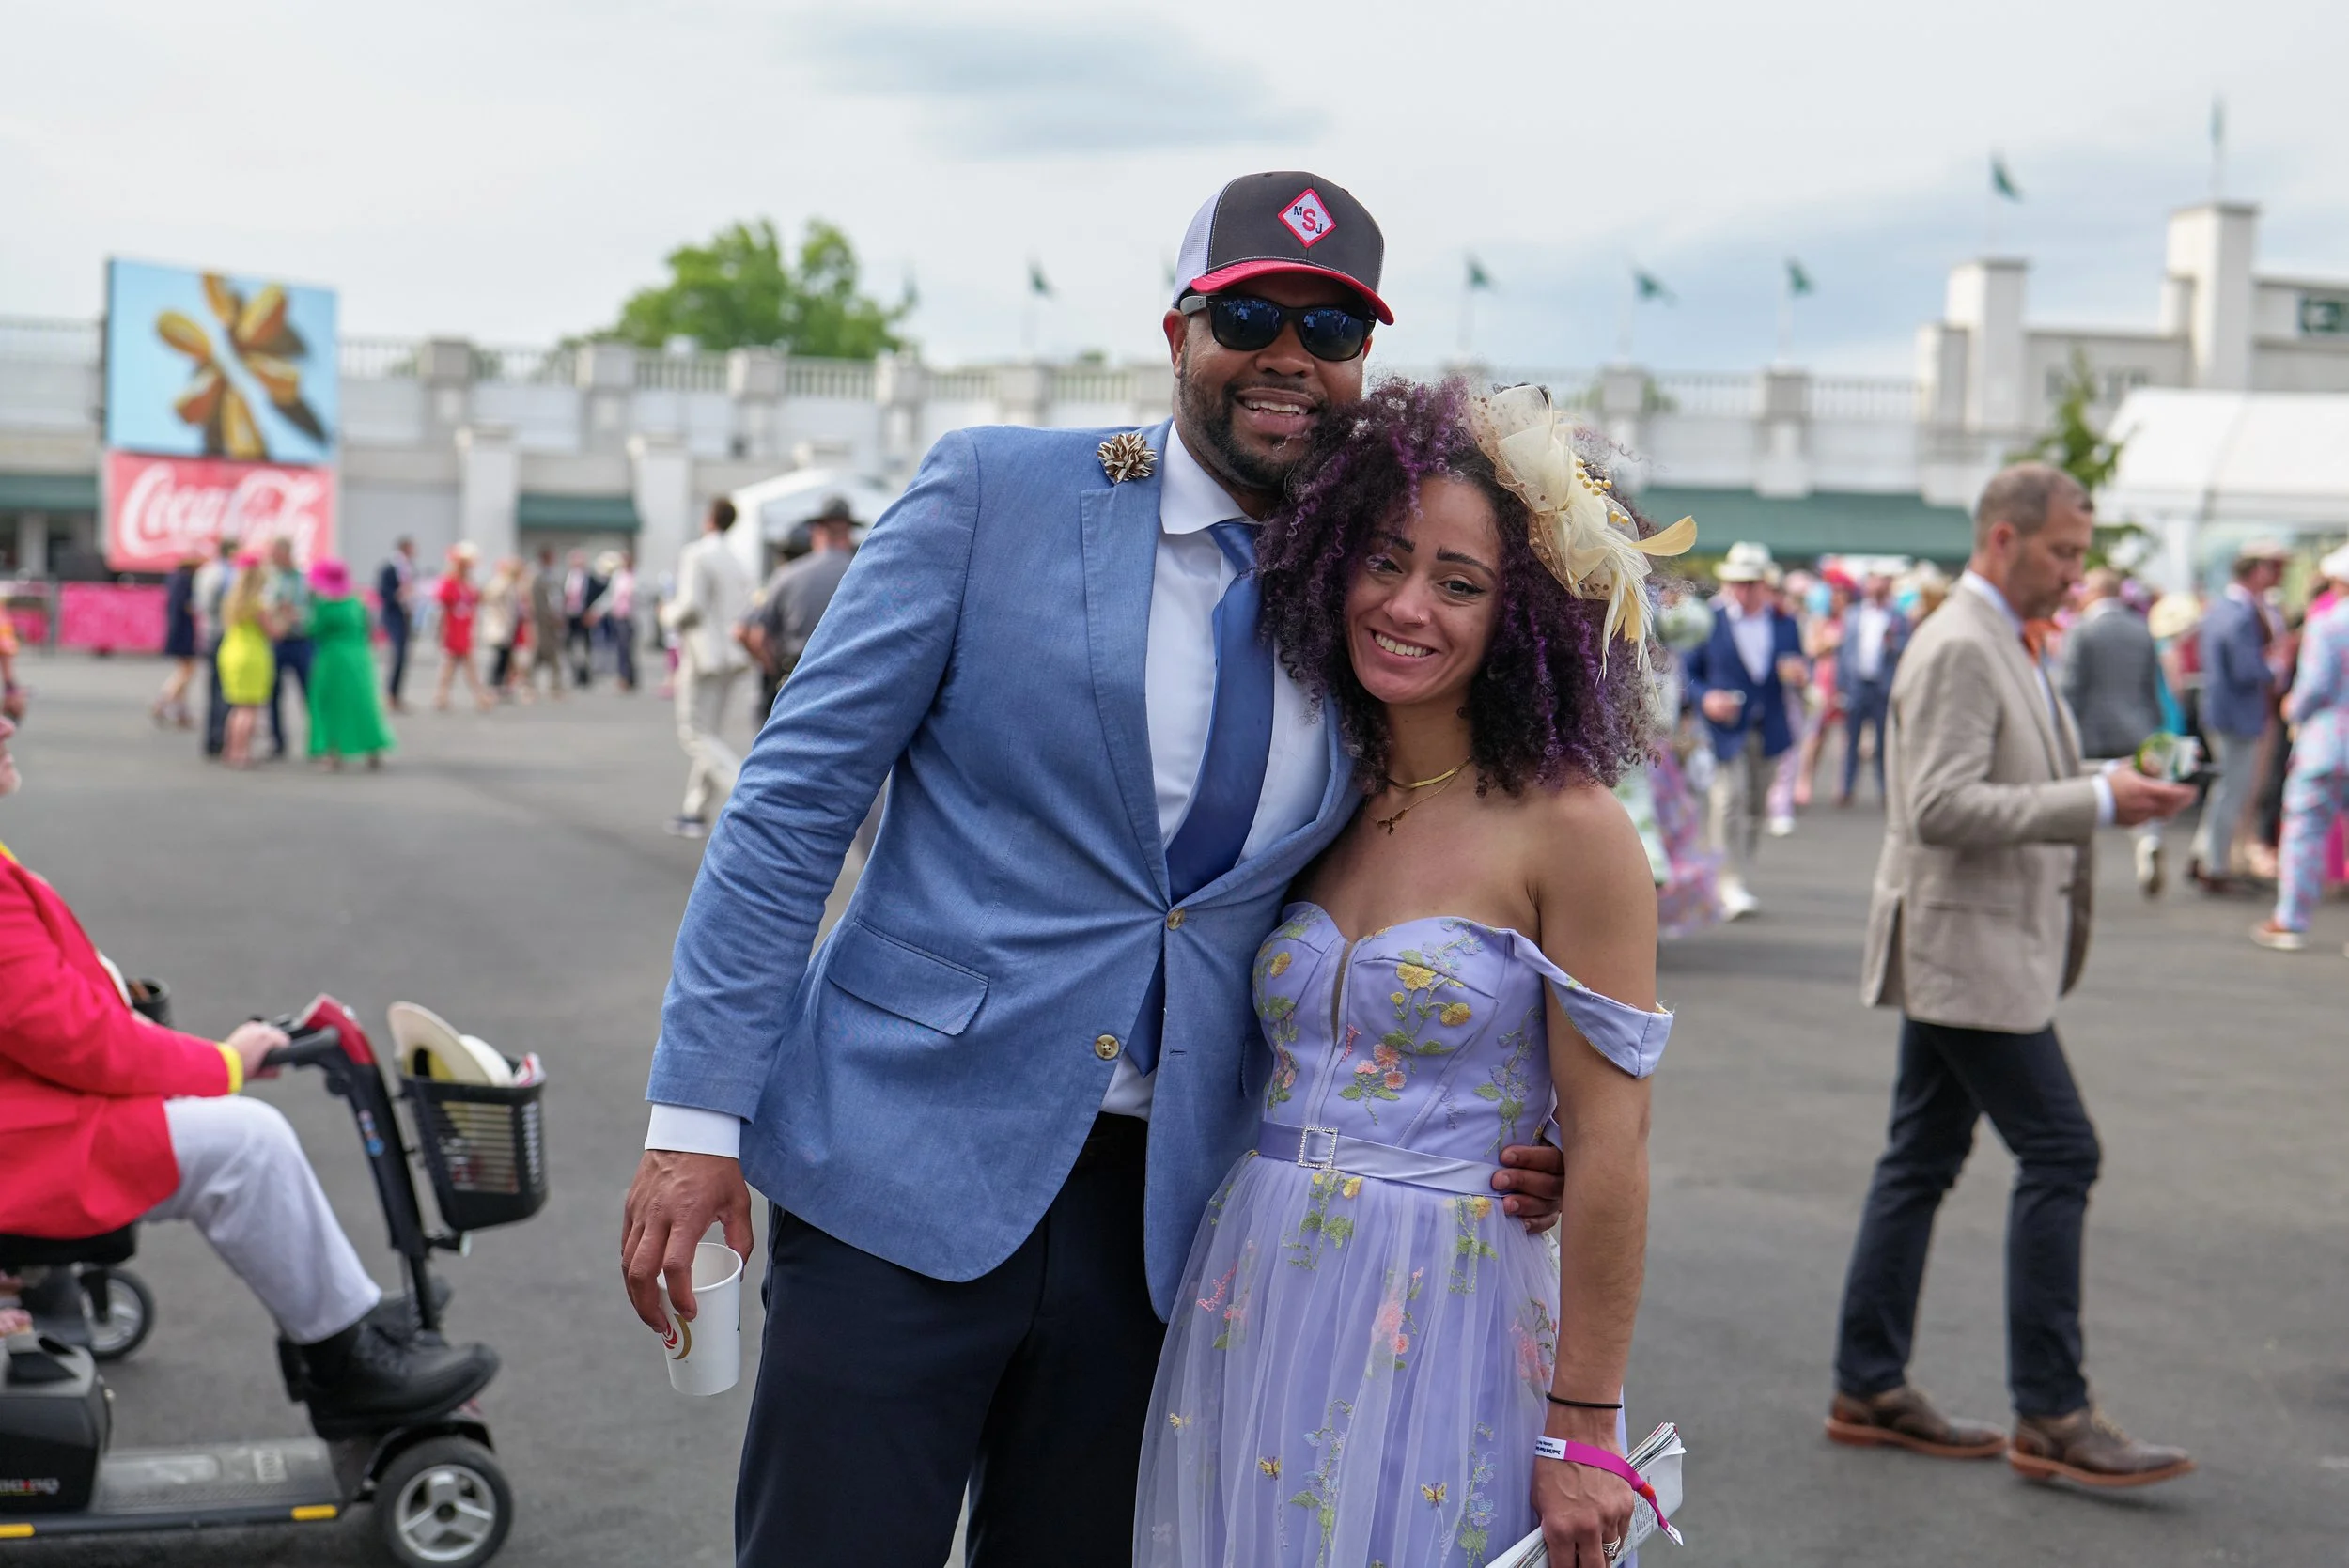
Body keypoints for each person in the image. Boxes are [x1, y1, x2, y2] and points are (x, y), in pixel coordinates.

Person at [619, 171, 1570, 1567]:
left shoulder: (1367, 598)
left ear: (1363, 364)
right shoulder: (993, 493)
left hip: (1169, 1218)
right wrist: (696, 1122)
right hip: (898, 1161)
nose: (1289, 356)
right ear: (1177, 331)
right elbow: (788, 810)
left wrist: (1505, 1111)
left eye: (1330, 329)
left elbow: (1428, 863)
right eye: (1249, 316)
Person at [1136, 379, 1679, 1568]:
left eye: (1459, 582)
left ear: (1521, 616)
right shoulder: (1317, 788)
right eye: (1383, 560)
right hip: (1261, 1282)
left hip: (1452, 1302)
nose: (1406, 605)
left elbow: (1613, 1141)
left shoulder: (1572, 830)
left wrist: (1584, 1424)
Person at [1831, 463, 2198, 1488]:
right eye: (2063, 552)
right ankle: (2051, 1409)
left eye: (2082, 554)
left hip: (1968, 946)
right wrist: (2098, 800)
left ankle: (1869, 1382)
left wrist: (2104, 788)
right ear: (2003, 538)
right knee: (2060, 1151)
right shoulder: (1962, 642)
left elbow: (1983, 790)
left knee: (1921, 1158)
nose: (2077, 573)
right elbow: (1938, 807)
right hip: (1967, 951)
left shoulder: (1999, 636)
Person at [0, 713, 496, 1430]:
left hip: (26, 1114)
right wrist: (222, 1062)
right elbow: (82, 1040)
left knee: (237, 1136)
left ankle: (343, 1317)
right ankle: (344, 1364)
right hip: (25, 1144)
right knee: (247, 1143)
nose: (9, 723)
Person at [1683, 540, 1806, 918]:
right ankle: (1728, 882)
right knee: (1729, 800)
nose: (1742, 589)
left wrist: (1800, 676)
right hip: (1724, 729)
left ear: (1764, 584)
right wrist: (1706, 698)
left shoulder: (1784, 623)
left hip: (1768, 728)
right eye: (1736, 581)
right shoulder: (1710, 620)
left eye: (1750, 582)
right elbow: (1688, 672)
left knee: (1755, 807)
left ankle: (1739, 871)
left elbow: (1796, 667)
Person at [2252, 544, 2349, 952]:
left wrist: (2293, 707)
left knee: (2305, 829)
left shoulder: (2328, 624)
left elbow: (2314, 686)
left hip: (2327, 743)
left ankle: (2291, 919)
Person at [2061, 568, 2169, 895]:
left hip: (2092, 731)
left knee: (2087, 800)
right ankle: (2148, 841)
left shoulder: (2082, 630)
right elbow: (2151, 685)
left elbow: (2071, 687)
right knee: (2142, 791)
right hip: (2137, 727)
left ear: (2095, 592)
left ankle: (2080, 869)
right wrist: (2155, 724)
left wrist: (2062, 728)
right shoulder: (2140, 629)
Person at [2191, 539, 2287, 891]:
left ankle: (2205, 857)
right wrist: (2274, 668)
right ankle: (2215, 866)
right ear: (2257, 570)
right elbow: (2245, 669)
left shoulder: (2222, 608)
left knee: (2225, 788)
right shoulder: (2242, 613)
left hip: (2223, 711)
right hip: (2238, 714)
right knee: (2232, 790)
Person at [657, 499, 754, 838]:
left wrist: (666, 613)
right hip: (733, 654)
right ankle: (695, 809)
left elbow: (691, 607)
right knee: (711, 733)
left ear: (710, 519)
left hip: (704, 654)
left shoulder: (697, 553)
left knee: (695, 734)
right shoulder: (737, 559)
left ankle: (745, 791)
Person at [740, 497, 857, 720]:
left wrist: (773, 669)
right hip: (852, 685)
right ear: (849, 532)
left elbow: (744, 632)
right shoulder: (868, 578)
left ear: (816, 531)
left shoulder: (788, 576)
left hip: (797, 681)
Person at [303, 559, 395, 770]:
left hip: (332, 659)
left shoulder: (324, 605)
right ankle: (373, 749)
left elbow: (314, 630)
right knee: (364, 703)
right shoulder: (357, 601)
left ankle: (334, 753)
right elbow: (369, 629)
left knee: (331, 706)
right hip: (359, 656)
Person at [1837, 569, 1909, 806]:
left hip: (1882, 686)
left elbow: (1907, 647)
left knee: (1884, 743)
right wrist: (1841, 685)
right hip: (1857, 685)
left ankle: (1885, 790)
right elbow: (1845, 652)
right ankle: (1846, 788)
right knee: (1851, 740)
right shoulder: (1854, 613)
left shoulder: (1897, 616)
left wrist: (1893, 643)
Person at [215, 554, 280, 770]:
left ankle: (230, 749)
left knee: (236, 707)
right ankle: (242, 752)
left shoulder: (232, 600)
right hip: (252, 654)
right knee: (249, 708)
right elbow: (272, 632)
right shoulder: (257, 604)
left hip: (231, 651)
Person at [262, 537, 314, 760]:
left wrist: (297, 615)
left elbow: (314, 609)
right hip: (277, 642)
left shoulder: (305, 579)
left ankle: (316, 740)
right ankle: (277, 741)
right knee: (273, 695)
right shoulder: (270, 579)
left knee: (309, 693)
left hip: (301, 640)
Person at [431, 543, 491, 713]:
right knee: (453, 665)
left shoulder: (468, 583)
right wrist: (441, 631)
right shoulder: (450, 582)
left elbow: (478, 599)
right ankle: (446, 696)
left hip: (465, 628)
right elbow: (443, 604)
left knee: (460, 665)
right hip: (453, 628)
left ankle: (444, 696)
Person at [194, 535, 238, 757]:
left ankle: (214, 739)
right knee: (227, 691)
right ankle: (221, 738)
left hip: (211, 635)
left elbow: (200, 605)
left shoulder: (207, 572)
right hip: (224, 635)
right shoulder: (226, 574)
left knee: (214, 691)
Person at [151, 551, 202, 729]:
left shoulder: (174, 578)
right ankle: (163, 701)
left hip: (176, 628)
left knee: (184, 669)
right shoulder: (185, 580)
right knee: (187, 671)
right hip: (183, 630)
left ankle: (181, 711)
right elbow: (187, 604)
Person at [377, 536, 418, 712]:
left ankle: (396, 695)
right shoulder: (389, 568)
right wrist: (398, 595)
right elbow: (383, 592)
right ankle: (390, 695)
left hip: (406, 615)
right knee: (398, 655)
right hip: (394, 616)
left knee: (403, 657)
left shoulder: (409, 569)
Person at [477, 557, 525, 698]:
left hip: (508, 625)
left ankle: (505, 684)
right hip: (501, 625)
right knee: (500, 657)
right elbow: (488, 597)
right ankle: (495, 684)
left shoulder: (511, 584)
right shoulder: (501, 583)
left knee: (506, 657)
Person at [525, 547, 567, 703]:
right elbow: (539, 603)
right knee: (542, 652)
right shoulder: (538, 577)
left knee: (550, 653)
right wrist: (549, 618)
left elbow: (557, 598)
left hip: (554, 622)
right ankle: (533, 685)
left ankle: (554, 686)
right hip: (543, 623)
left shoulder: (553, 576)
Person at [563, 549, 606, 689]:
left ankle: (585, 674)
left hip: (584, 614)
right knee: (570, 645)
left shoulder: (590, 578)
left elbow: (601, 592)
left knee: (585, 645)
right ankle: (575, 673)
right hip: (570, 615)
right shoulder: (567, 577)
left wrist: (593, 610)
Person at [600, 550, 639, 692]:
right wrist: (596, 611)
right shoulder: (618, 576)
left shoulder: (635, 576)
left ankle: (629, 677)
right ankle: (624, 677)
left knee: (628, 648)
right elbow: (610, 596)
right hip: (618, 616)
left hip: (630, 616)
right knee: (622, 648)